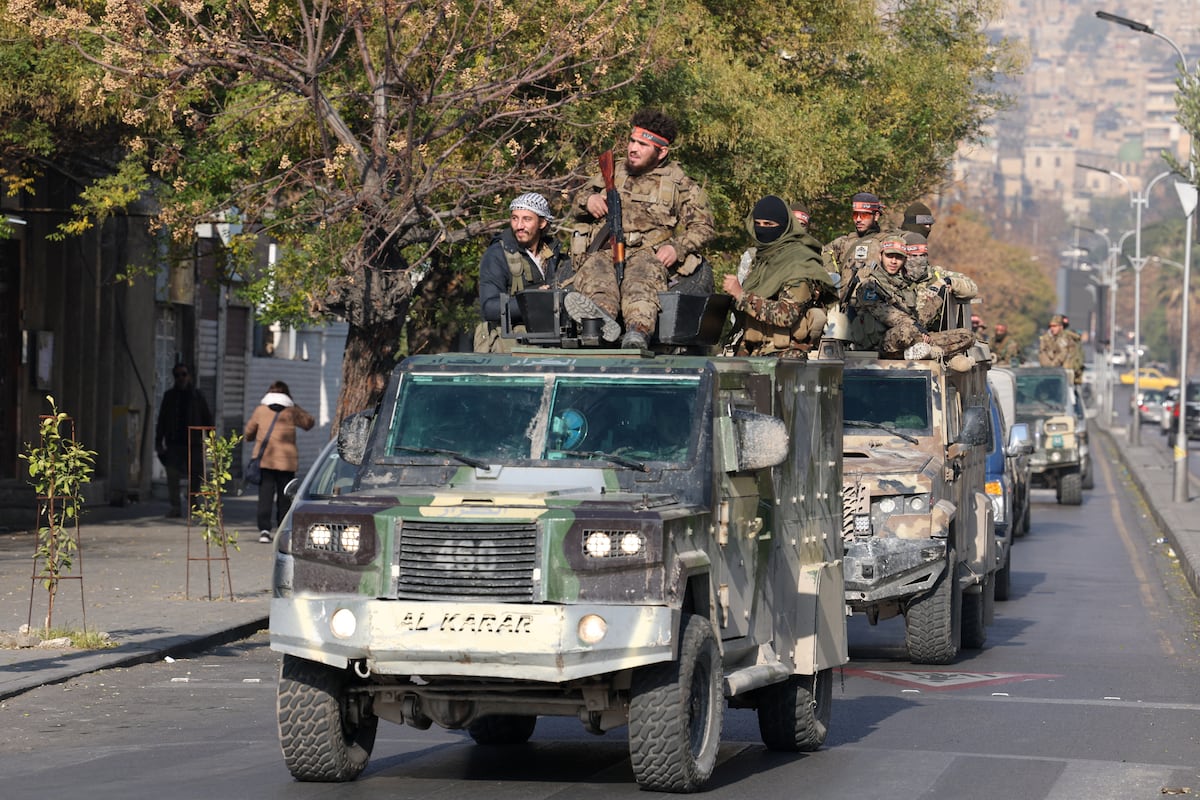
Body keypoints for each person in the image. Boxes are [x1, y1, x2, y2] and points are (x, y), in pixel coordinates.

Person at [568, 108, 715, 349]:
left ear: (661, 152)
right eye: (632, 141)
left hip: (647, 253)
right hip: (605, 249)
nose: (632, 149)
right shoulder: (612, 172)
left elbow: (703, 226)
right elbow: (578, 201)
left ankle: (637, 331)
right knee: (596, 275)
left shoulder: (680, 184)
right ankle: (599, 322)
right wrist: (589, 201)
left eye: (642, 145)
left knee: (641, 282)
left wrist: (677, 248)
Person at [722, 195, 834, 358]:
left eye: (768, 224)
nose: (762, 229)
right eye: (758, 224)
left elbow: (786, 315)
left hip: (785, 354)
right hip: (753, 351)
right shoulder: (760, 260)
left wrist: (741, 296)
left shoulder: (798, 262)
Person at [475, 192, 570, 352]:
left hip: (550, 345)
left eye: (527, 219)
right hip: (509, 349)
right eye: (514, 218)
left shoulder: (554, 254)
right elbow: (489, 308)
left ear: (542, 223)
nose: (519, 226)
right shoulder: (497, 254)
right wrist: (532, 301)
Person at [244, 381, 315, 543]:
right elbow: (309, 423)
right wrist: (295, 405)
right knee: (285, 497)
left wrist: (252, 438)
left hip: (265, 461)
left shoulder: (260, 410)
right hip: (287, 462)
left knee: (265, 496)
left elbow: (248, 433)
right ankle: (283, 529)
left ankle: (264, 530)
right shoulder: (292, 411)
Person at [154, 364, 214, 519]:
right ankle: (175, 506)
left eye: (183, 374)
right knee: (172, 475)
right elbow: (162, 420)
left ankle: (193, 502)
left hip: (193, 442)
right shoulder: (169, 396)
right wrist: (158, 442)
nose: (181, 378)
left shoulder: (197, 396)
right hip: (174, 442)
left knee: (196, 474)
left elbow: (207, 417)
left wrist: (211, 438)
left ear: (189, 376)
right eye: (177, 375)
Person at [823, 192, 897, 310]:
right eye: (855, 215)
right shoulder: (843, 243)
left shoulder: (887, 242)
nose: (858, 220)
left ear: (876, 216)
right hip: (844, 308)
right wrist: (833, 278)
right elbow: (822, 255)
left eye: (864, 216)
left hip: (876, 310)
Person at [1038, 315, 1082, 383]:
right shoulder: (1047, 338)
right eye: (1051, 326)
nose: (1052, 328)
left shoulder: (1065, 337)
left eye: (1055, 326)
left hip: (1065, 375)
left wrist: (1052, 367)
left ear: (1061, 327)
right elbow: (1042, 353)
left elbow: (1062, 354)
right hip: (1052, 373)